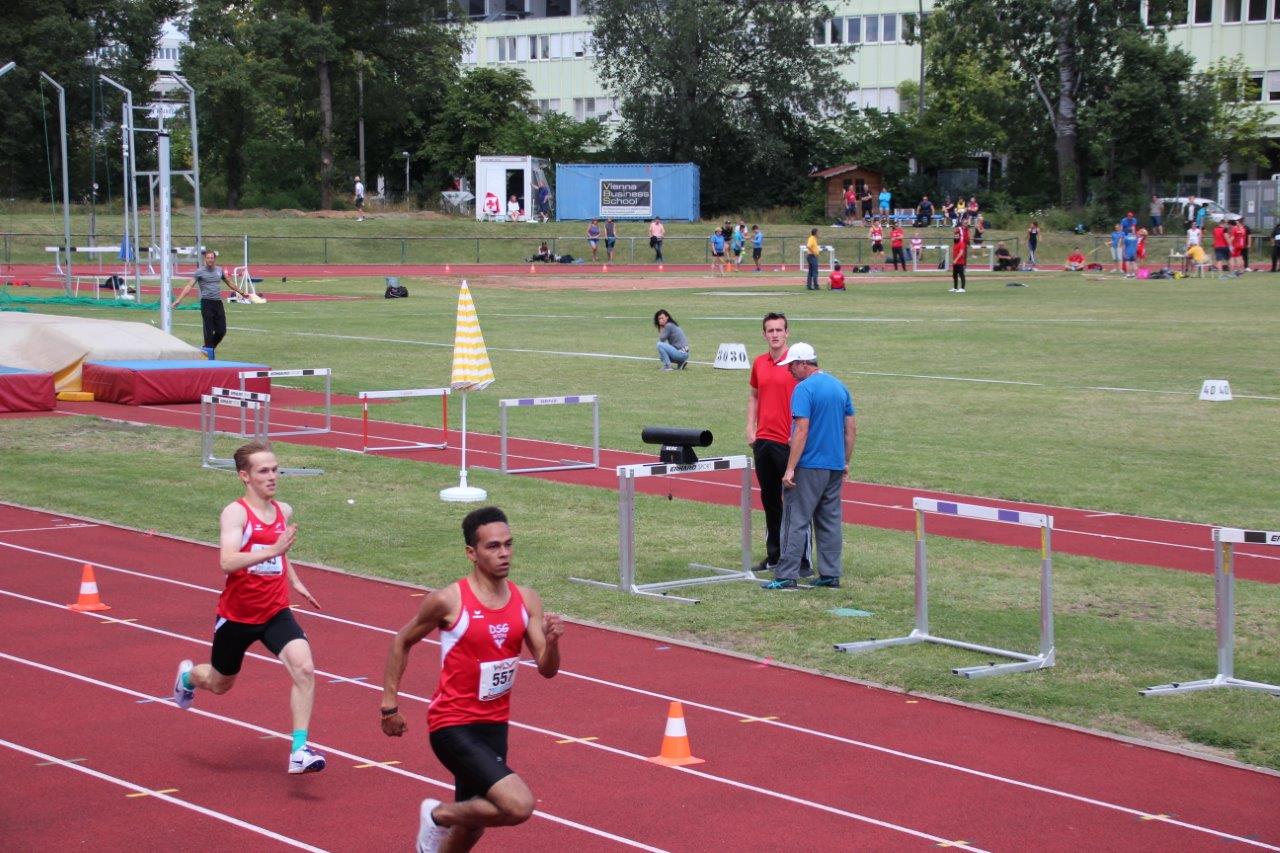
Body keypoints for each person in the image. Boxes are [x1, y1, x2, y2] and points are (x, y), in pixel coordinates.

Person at [380, 506, 563, 853]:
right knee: (518, 805)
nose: (504, 553)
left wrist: (552, 643)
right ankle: (437, 814)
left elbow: (547, 668)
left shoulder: (526, 600)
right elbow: (401, 640)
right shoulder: (449, 601)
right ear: (471, 553)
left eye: (508, 544)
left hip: (494, 726)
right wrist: (389, 705)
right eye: (493, 546)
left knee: (473, 826)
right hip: (452, 724)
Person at [170, 441, 325, 775]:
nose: (272, 476)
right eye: (263, 471)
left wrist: (294, 579)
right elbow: (227, 561)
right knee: (220, 684)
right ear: (244, 476)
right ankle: (187, 677)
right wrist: (272, 551)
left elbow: (280, 550)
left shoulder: (283, 510)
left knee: (305, 668)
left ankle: (299, 750)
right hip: (237, 617)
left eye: (275, 469)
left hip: (275, 612)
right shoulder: (236, 513)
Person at [761, 342, 855, 591]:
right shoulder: (839, 387)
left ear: (804, 364)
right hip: (834, 465)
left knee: (794, 519)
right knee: (830, 520)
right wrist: (845, 461)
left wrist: (790, 468)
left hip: (810, 465)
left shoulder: (803, 389)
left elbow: (801, 430)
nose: (789, 370)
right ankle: (830, 574)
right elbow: (851, 429)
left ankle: (786, 575)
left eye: (792, 365)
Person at [746, 313, 809, 577]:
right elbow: (754, 395)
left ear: (787, 333)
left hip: (787, 442)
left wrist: (798, 435)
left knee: (796, 502)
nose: (775, 334)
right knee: (770, 500)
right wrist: (750, 427)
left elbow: (808, 400)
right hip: (763, 441)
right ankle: (774, 555)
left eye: (779, 330)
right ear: (764, 334)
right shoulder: (759, 362)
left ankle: (801, 560)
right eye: (770, 330)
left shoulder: (796, 365)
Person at [172, 249, 251, 360]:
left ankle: (206, 349)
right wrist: (179, 299)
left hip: (218, 303)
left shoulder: (219, 270)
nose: (210, 260)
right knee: (208, 331)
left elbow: (229, 282)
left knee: (221, 330)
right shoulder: (200, 272)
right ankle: (209, 356)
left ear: (214, 259)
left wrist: (242, 293)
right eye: (208, 258)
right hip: (206, 303)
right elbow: (189, 286)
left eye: (212, 258)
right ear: (205, 259)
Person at [950, 225, 967, 293]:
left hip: (960, 262)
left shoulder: (961, 243)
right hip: (955, 263)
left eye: (957, 236)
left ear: (959, 237)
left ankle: (962, 288)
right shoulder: (955, 243)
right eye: (955, 236)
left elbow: (961, 253)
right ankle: (955, 288)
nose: (956, 237)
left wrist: (956, 260)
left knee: (961, 275)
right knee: (954, 275)